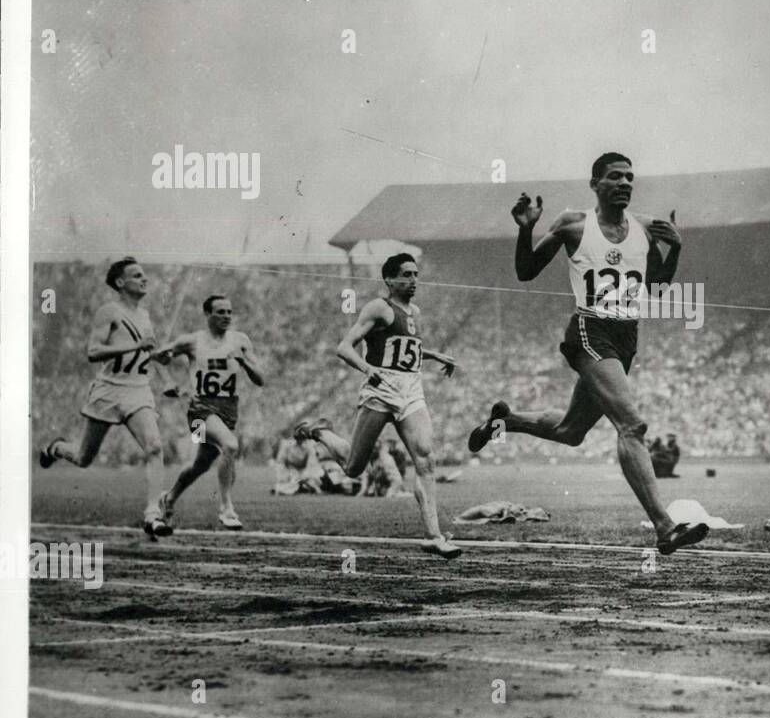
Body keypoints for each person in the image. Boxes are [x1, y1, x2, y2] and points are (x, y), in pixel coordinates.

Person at [465, 152, 708, 555]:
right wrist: (526, 230)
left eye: (630, 177)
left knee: (570, 432)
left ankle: (504, 422)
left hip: (626, 336)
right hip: (589, 328)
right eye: (615, 177)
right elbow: (525, 271)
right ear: (595, 184)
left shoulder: (646, 228)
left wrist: (676, 250)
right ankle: (665, 527)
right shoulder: (573, 224)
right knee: (632, 425)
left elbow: (659, 289)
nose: (625, 183)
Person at [294, 252, 461, 559]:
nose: (413, 280)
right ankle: (320, 432)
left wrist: (436, 356)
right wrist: (366, 369)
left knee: (426, 458)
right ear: (389, 279)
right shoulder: (378, 308)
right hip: (380, 389)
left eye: (416, 274)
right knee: (354, 467)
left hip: (411, 390)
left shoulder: (416, 312)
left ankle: (433, 535)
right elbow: (343, 347)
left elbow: (404, 350)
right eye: (406, 275)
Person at [38, 257, 170, 539]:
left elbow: (148, 353)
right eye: (137, 275)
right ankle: (57, 448)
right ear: (120, 283)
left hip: (138, 389)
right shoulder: (108, 312)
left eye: (144, 274)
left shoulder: (145, 315)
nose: (144, 279)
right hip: (109, 389)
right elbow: (93, 352)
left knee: (155, 446)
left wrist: (165, 371)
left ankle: (153, 515)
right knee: (84, 457)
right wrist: (137, 344)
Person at [151, 294, 264, 530]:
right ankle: (226, 508)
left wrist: (244, 362)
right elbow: (158, 356)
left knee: (201, 464)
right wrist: (170, 379)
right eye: (220, 312)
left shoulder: (240, 341)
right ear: (207, 314)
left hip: (228, 409)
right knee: (230, 446)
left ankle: (169, 498)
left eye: (229, 312)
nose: (226, 316)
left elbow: (260, 378)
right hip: (200, 410)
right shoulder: (192, 341)